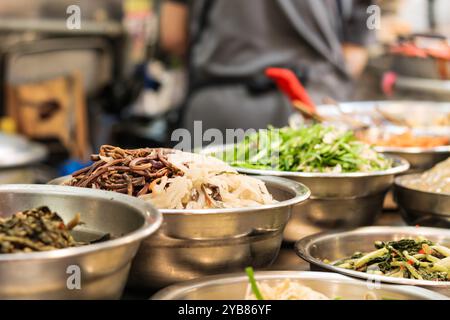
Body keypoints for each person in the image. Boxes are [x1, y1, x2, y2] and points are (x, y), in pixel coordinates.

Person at [160, 0, 374, 134]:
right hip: (309, 112)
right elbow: (356, 52)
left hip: (218, 115)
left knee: (206, 196)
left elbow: (172, 36)